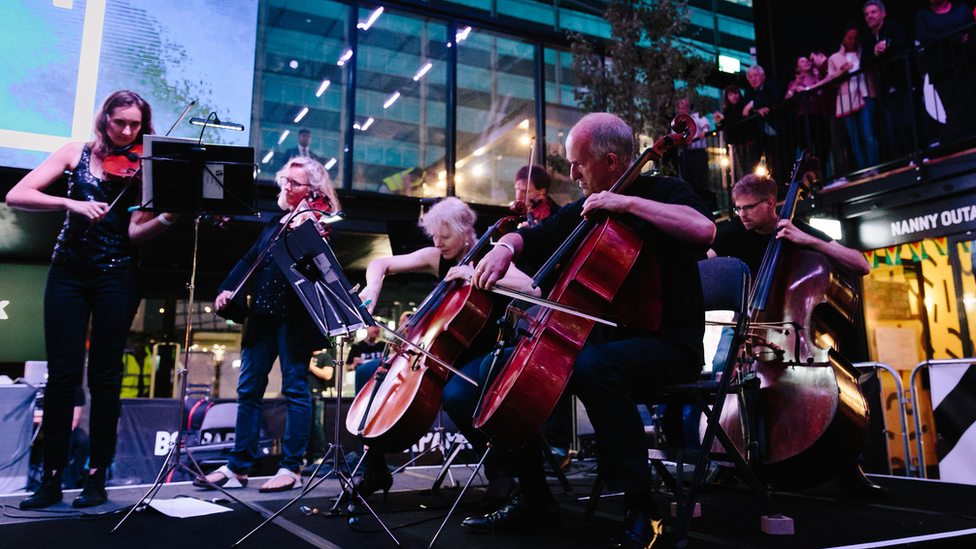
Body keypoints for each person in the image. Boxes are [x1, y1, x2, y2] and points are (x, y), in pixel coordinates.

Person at [459, 113, 715, 548]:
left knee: (594, 367)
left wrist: (625, 204)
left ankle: (642, 508)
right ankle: (536, 499)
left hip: (668, 346)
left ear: (611, 161)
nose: (572, 174)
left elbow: (704, 229)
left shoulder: (666, 191)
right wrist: (504, 247)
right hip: (592, 346)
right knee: (468, 386)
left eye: (578, 164)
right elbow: (535, 238)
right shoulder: (586, 207)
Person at [7, 90, 179, 509]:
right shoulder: (75, 153)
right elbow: (17, 194)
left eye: (136, 125)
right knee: (63, 377)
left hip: (117, 274)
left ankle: (96, 476)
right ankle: (49, 478)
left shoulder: (144, 165)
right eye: (120, 122)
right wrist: (71, 202)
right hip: (67, 270)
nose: (127, 131)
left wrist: (168, 217)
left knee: (105, 378)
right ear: (104, 119)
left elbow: (136, 232)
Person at [351, 197, 537, 504]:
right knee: (368, 374)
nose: (438, 243)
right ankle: (375, 468)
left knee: (455, 393)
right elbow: (380, 263)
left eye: (445, 236)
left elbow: (533, 288)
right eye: (434, 236)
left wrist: (472, 273)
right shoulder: (436, 256)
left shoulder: (492, 256)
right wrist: (373, 287)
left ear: (466, 231)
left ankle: (500, 472)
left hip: (485, 355)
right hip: (438, 355)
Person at [199, 157, 340, 493]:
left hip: (294, 319)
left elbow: (318, 271)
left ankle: (292, 467)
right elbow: (250, 258)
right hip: (261, 316)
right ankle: (237, 467)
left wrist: (308, 232)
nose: (285, 187)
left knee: (294, 388)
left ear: (312, 191)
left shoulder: (315, 223)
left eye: (294, 183)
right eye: (284, 180)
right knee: (248, 390)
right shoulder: (276, 223)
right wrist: (229, 288)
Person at [708, 174, 870, 281]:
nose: (742, 214)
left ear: (770, 203)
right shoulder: (735, 233)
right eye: (739, 208)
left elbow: (861, 265)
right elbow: (703, 261)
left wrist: (808, 240)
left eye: (748, 207)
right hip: (748, 320)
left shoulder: (796, 229)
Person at [915, 0, 975, 145]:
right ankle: (957, 148)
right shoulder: (923, 15)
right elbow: (923, 36)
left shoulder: (961, 8)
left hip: (967, 66)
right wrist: (955, 38)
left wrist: (941, 37)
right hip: (941, 71)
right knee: (954, 111)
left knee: (971, 104)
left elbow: (971, 30)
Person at [862, 0, 913, 160]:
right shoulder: (869, 39)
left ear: (883, 13)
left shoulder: (894, 27)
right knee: (897, 123)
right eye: (866, 14)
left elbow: (901, 46)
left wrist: (884, 50)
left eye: (873, 12)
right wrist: (876, 54)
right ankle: (910, 155)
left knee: (910, 119)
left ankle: (922, 153)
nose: (869, 16)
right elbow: (864, 62)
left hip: (903, 81)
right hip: (885, 87)